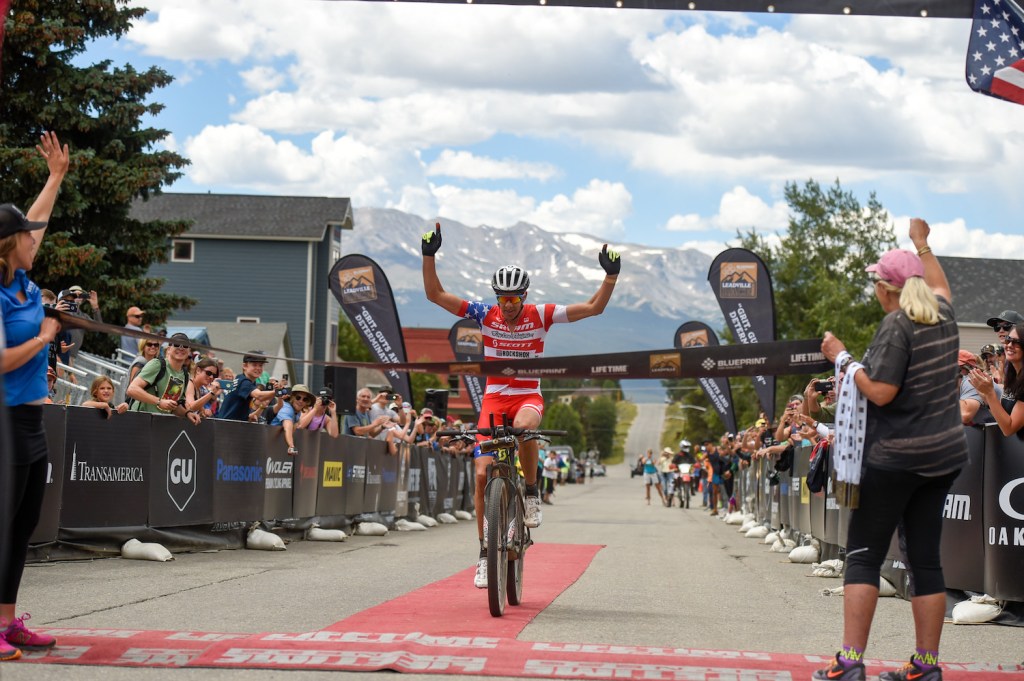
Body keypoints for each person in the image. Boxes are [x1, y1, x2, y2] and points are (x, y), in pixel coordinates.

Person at [420, 221, 620, 589]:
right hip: (494, 397)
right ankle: (484, 553)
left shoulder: (540, 315)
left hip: (528, 395)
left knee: (527, 428)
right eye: (503, 299)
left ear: (524, 297)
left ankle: (530, 491)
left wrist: (610, 277)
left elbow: (593, 308)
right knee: (481, 475)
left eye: (515, 299)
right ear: (496, 297)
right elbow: (436, 295)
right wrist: (428, 255)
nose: (509, 306)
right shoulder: (484, 315)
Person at [816, 218, 966, 681]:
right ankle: (926, 665)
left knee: (863, 553)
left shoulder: (896, 326)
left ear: (886, 290)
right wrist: (922, 244)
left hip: (895, 457)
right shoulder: (943, 314)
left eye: (876, 283)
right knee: (925, 559)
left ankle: (849, 662)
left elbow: (879, 391)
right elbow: (941, 284)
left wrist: (842, 358)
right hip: (942, 456)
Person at [0, 130, 69, 659]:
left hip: (29, 419)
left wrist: (55, 177)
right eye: (25, 234)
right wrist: (45, 338)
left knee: (22, 524)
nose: (35, 236)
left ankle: (6, 622)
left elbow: (39, 221)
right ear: (9, 246)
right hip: (3, 419)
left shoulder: (24, 281)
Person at [125, 332, 201, 425]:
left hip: (161, 426)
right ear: (168, 349)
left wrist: (187, 413)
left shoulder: (185, 375)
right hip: (141, 422)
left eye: (185, 346)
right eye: (176, 344)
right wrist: (159, 402)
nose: (181, 348)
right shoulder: (157, 364)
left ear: (189, 351)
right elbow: (132, 389)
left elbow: (174, 407)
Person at [968, 322, 1024, 437]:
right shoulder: (1013, 375)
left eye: (1017, 342)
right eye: (1008, 339)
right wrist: (986, 398)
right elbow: (1003, 416)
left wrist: (990, 394)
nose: (1009, 345)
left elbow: (1009, 429)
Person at [218, 351, 276, 422]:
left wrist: (260, 408)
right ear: (245, 366)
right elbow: (259, 396)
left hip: (230, 425)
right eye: (254, 365)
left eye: (260, 365)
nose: (258, 368)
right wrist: (278, 391)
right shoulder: (243, 382)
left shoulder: (246, 380)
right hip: (226, 426)